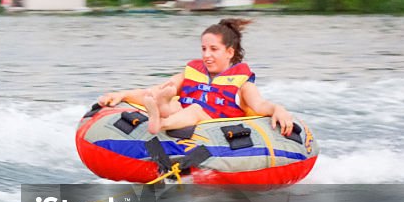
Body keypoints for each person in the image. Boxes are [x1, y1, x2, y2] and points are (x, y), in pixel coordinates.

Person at [97, 18, 294, 136]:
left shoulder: (242, 84)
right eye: (204, 49)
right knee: (171, 99)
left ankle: (161, 123)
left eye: (214, 49)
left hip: (214, 129)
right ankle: (162, 110)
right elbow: (153, 91)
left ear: (229, 52)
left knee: (195, 109)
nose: (206, 55)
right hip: (180, 118)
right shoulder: (192, 73)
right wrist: (121, 95)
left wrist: (279, 109)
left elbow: (260, 106)